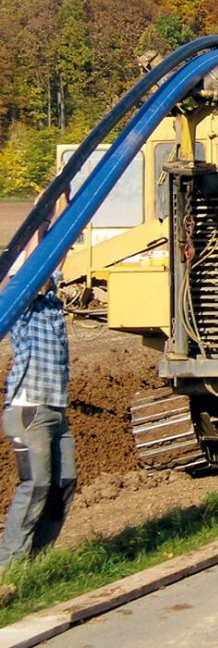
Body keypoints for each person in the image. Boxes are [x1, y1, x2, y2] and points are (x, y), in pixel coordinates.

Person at [0, 219, 75, 576]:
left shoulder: (51, 303)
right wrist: (36, 222)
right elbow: (37, 263)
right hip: (29, 409)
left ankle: (40, 562)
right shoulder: (22, 307)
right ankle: (9, 566)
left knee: (64, 483)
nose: (48, 274)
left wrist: (60, 197)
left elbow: (58, 251)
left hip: (56, 411)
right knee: (36, 484)